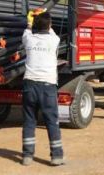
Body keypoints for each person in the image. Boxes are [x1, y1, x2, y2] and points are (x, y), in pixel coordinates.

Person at [21, 11, 64, 166]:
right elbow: (50, 30)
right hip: (48, 86)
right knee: (51, 121)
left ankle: (27, 156)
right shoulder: (54, 40)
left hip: (29, 85)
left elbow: (27, 30)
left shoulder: (29, 39)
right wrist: (44, 18)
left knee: (29, 121)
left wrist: (30, 21)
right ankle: (56, 156)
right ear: (49, 25)